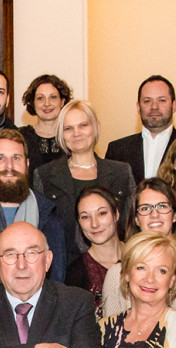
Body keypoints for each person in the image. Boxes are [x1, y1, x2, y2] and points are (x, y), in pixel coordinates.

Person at [106, 178, 176, 334]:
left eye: (162, 206)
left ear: (175, 215)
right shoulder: (117, 274)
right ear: (136, 219)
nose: (154, 214)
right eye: (145, 208)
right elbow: (111, 337)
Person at [0, 129, 67, 281]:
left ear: (27, 164)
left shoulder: (49, 217)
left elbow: (56, 280)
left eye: (16, 158)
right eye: (0, 158)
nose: (9, 166)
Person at [33, 99, 135, 261]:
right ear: (61, 134)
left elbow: (131, 228)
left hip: (115, 268)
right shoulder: (44, 176)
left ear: (95, 128)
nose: (76, 133)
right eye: (68, 128)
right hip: (63, 274)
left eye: (83, 125)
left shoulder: (121, 172)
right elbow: (39, 233)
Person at [105, 75, 176, 184]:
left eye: (162, 100)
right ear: (138, 107)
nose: (154, 107)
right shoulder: (117, 151)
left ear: (174, 105)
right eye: (147, 101)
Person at [68, 186, 123, 310]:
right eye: (85, 217)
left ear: (116, 214)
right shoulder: (75, 274)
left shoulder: (141, 255)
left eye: (102, 213)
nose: (94, 224)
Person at [18, 73, 72, 171]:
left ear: (62, 101)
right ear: (32, 103)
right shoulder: (19, 137)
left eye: (53, 97)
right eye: (40, 98)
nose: (47, 104)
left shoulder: (74, 136)